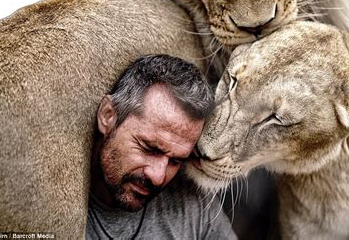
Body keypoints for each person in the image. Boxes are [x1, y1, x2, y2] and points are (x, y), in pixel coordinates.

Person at [86, 55, 237, 239]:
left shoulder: (191, 206)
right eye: (150, 148)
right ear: (108, 116)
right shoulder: (54, 204)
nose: (158, 177)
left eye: (175, 161)